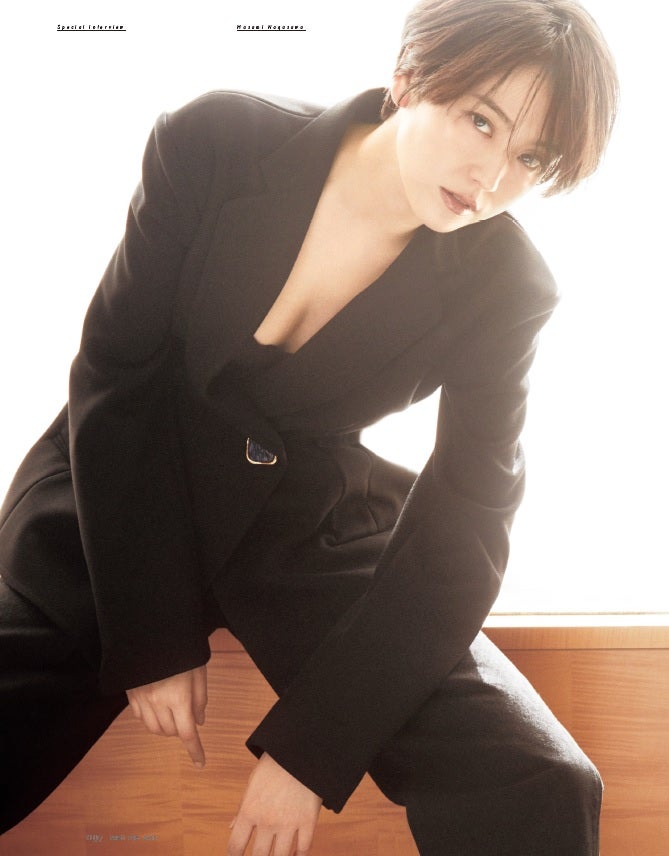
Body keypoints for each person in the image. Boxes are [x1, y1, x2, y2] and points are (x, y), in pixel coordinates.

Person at [0, 0, 618, 853]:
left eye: (529, 159)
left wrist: (310, 750)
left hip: (301, 521)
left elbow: (469, 518)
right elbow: (116, 374)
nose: (491, 178)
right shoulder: (216, 139)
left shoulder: (508, 286)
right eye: (481, 121)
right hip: (124, 496)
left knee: (538, 781)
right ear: (409, 77)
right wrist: (150, 634)